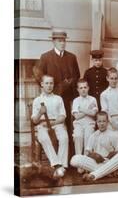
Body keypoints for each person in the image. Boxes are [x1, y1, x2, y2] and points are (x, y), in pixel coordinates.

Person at [34, 30, 80, 158]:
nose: (62, 43)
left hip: (68, 98)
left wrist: (69, 82)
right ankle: (54, 157)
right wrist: (50, 88)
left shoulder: (72, 57)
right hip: (52, 99)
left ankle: (70, 156)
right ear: (53, 41)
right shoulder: (45, 57)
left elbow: (77, 75)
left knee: (68, 126)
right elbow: (38, 75)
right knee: (53, 127)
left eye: (64, 40)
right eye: (59, 41)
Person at [70, 111, 118, 181]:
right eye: (99, 121)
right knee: (74, 159)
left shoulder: (113, 135)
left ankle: (94, 174)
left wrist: (110, 156)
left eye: (104, 121)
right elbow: (87, 153)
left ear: (107, 122)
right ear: (96, 122)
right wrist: (94, 155)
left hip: (109, 162)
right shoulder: (93, 136)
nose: (102, 124)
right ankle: (108, 173)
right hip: (97, 162)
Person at [31, 75, 69, 178]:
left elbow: (62, 116)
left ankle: (62, 166)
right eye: (47, 83)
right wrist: (40, 112)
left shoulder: (58, 98)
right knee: (43, 138)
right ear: (42, 84)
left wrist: (53, 123)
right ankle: (57, 165)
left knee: (64, 137)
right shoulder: (37, 100)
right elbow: (34, 120)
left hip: (57, 123)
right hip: (42, 125)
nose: (49, 86)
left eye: (51, 83)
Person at [100, 67, 118, 150]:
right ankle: (115, 155)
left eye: (116, 78)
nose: (114, 81)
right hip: (110, 121)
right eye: (112, 78)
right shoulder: (104, 94)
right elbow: (105, 111)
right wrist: (111, 122)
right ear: (107, 78)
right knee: (114, 135)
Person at [72, 79, 98, 155]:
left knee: (88, 137)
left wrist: (81, 109)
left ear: (88, 88)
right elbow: (76, 116)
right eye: (81, 88)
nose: (83, 90)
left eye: (85, 87)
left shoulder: (93, 99)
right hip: (78, 124)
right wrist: (88, 110)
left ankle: (86, 161)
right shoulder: (76, 100)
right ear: (78, 90)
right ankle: (79, 161)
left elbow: (93, 113)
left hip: (89, 123)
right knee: (78, 136)